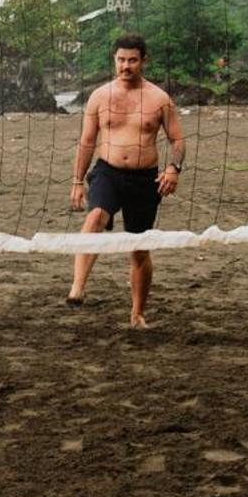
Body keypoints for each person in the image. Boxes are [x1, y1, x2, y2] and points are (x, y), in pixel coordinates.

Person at [67, 34, 185, 328]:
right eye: (121, 59)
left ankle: (137, 313)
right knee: (95, 216)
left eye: (132, 60)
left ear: (144, 61)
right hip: (108, 171)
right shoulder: (99, 96)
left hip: (145, 179)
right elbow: (86, 141)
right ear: (114, 60)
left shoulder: (159, 99)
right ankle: (77, 287)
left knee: (139, 248)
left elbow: (178, 140)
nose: (126, 65)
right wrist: (77, 181)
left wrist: (173, 168)